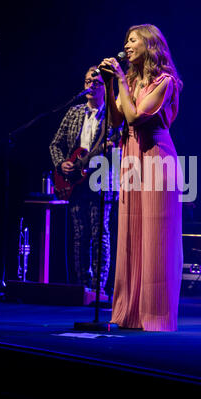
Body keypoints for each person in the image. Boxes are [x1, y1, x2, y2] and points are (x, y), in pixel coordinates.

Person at [100, 24, 183, 331]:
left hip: (156, 158)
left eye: (132, 40)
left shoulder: (165, 81)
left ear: (150, 46)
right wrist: (112, 86)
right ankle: (128, 312)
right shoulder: (130, 82)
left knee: (155, 237)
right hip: (132, 156)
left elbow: (137, 116)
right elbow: (118, 118)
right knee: (132, 233)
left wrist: (120, 79)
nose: (127, 45)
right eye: (126, 41)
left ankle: (154, 314)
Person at [49, 67, 121, 294]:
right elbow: (55, 144)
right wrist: (61, 164)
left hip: (102, 180)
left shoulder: (112, 115)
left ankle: (98, 288)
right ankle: (82, 287)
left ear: (106, 87)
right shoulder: (74, 112)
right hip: (74, 181)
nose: (90, 85)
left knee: (100, 234)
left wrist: (111, 149)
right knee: (80, 234)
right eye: (87, 81)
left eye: (96, 82)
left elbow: (118, 148)